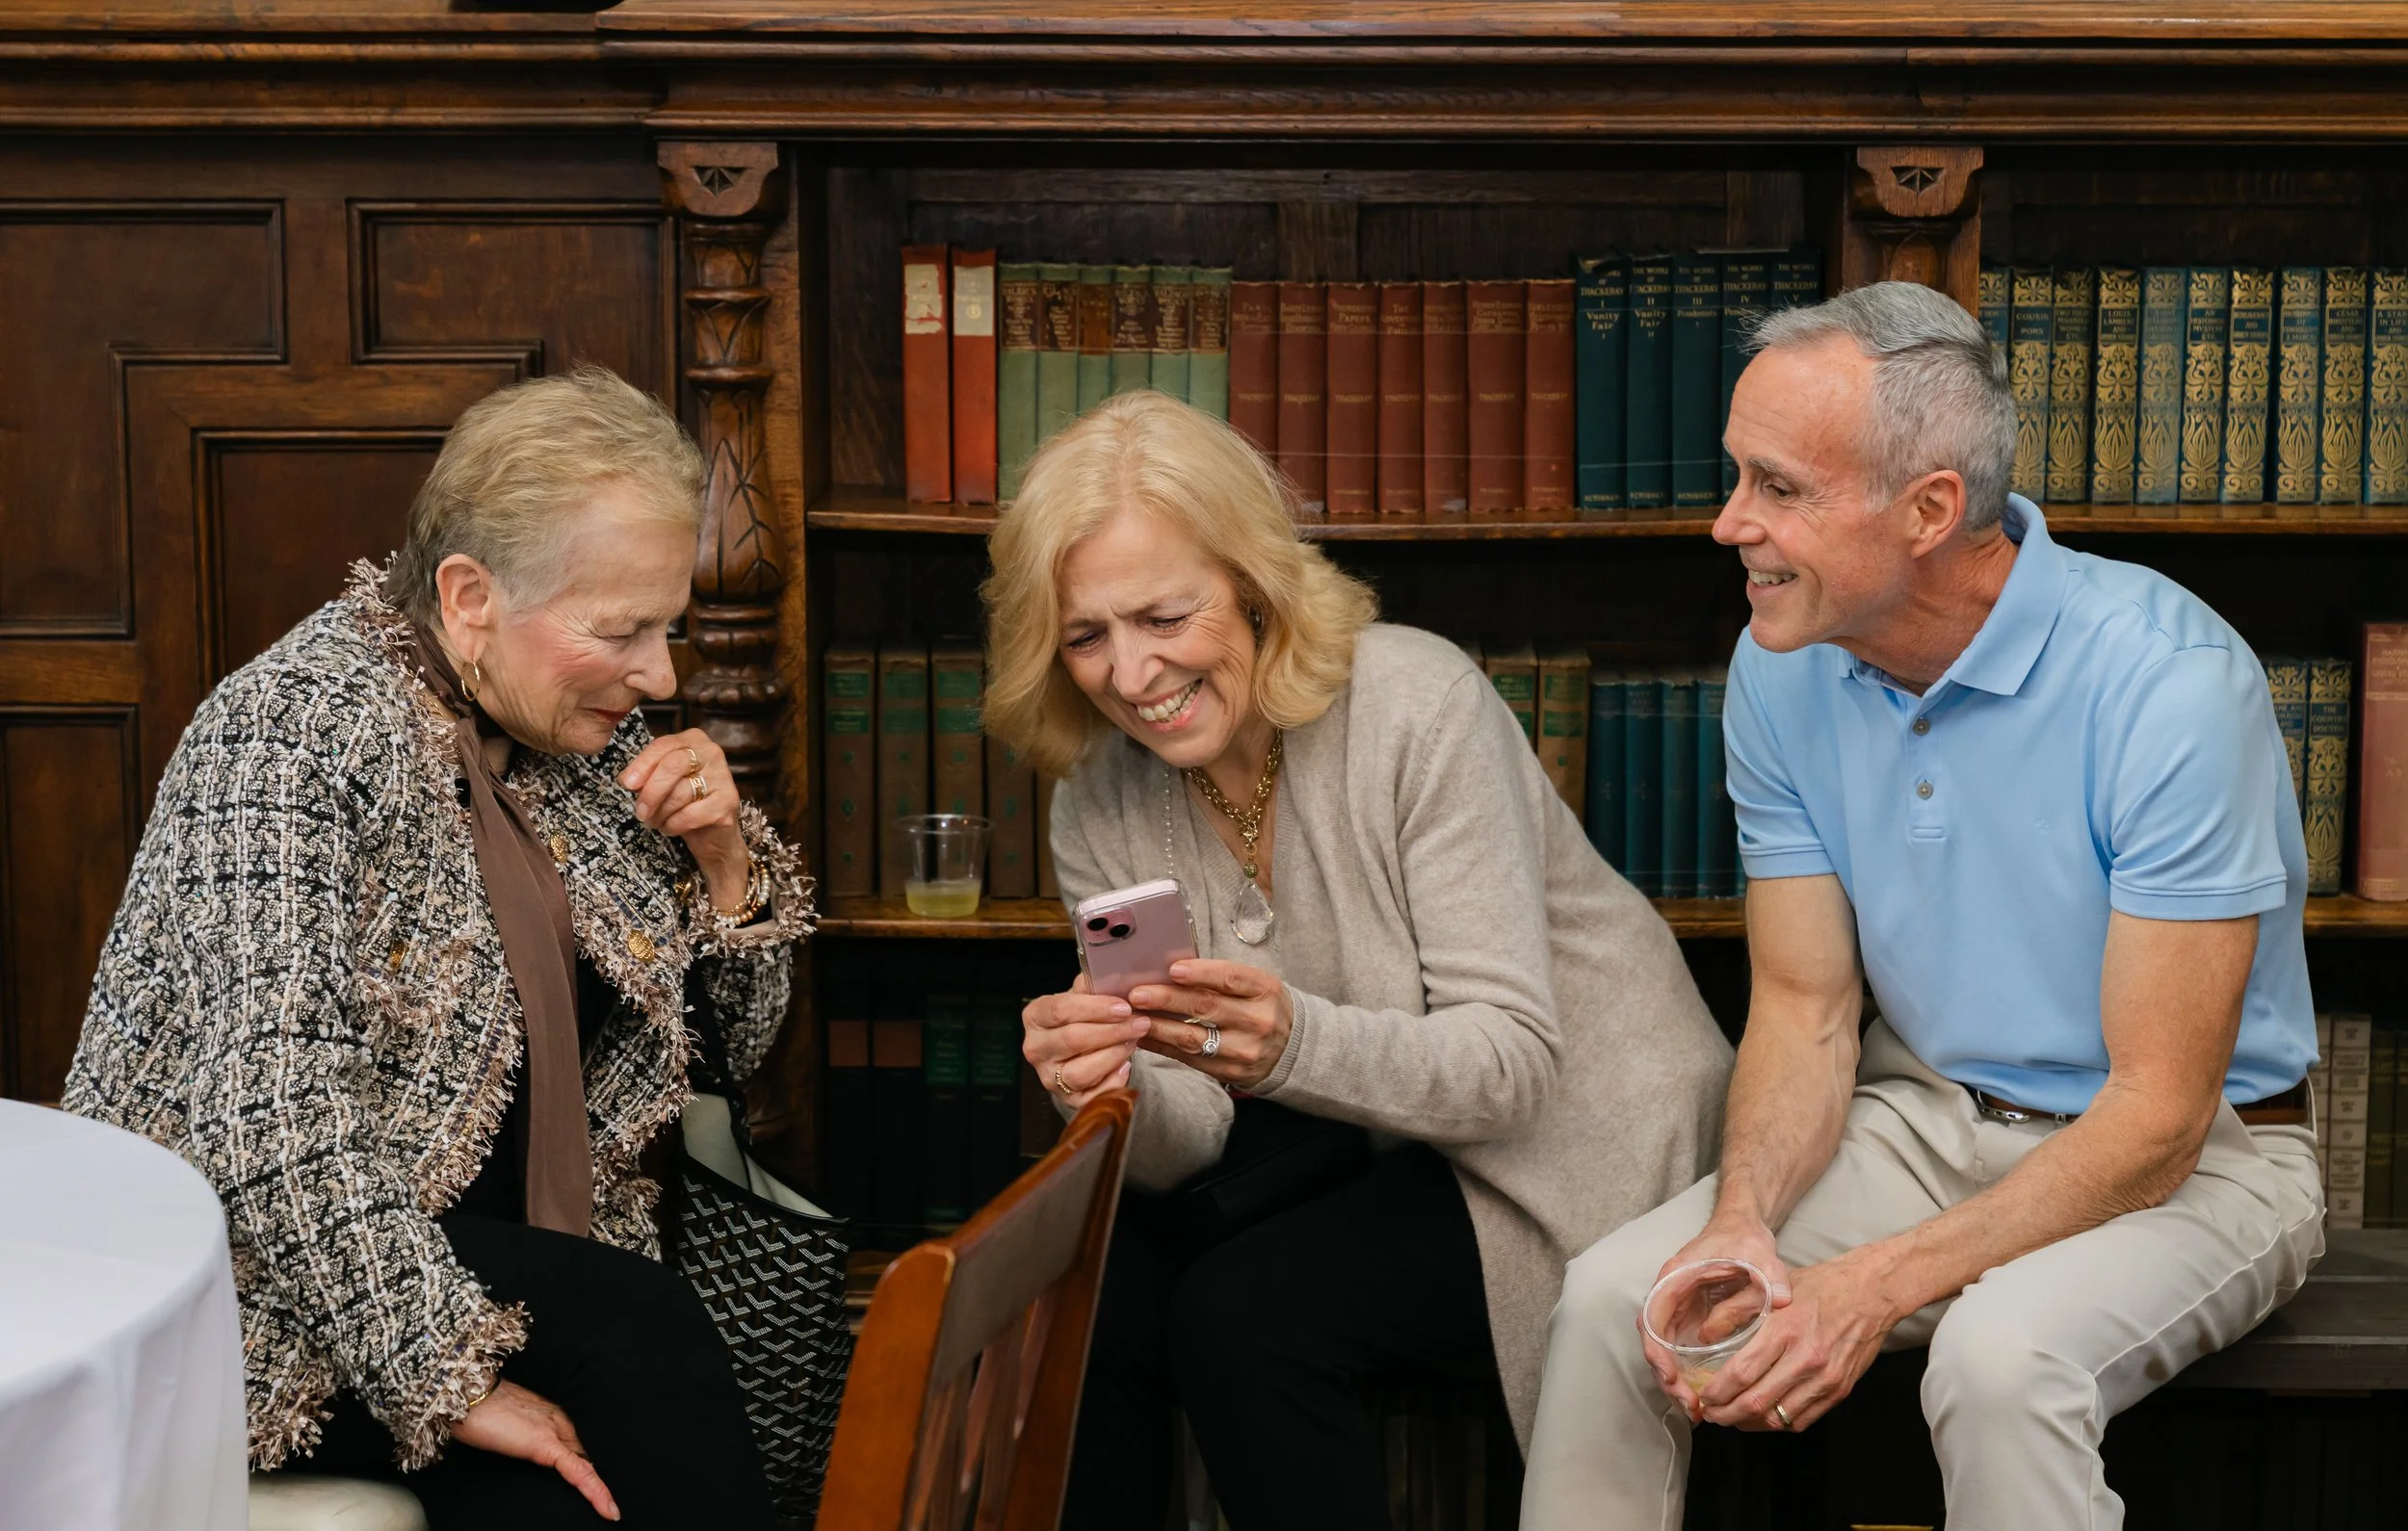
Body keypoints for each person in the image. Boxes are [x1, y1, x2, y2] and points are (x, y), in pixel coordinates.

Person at [1518, 281, 2326, 1529]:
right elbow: (1803, 1004)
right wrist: (1743, 1223)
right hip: (1926, 1122)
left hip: (2208, 1158)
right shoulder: (1779, 661)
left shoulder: (2171, 684)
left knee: (2000, 1362)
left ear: (1930, 509)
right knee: (1621, 1297)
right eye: (1737, 476)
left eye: (1779, 488)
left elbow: (2159, 1118)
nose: (1731, 522)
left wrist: (1867, 1286)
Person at [62, 366, 813, 1530]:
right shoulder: (291, 735)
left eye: (664, 625)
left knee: (602, 1440)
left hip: (514, 1261)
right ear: (468, 597)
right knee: (641, 1333)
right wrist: (451, 1378)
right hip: (275, 1288)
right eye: (623, 628)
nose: (663, 674)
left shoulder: (575, 728)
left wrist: (724, 869)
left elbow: (729, 1058)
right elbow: (272, 1120)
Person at [981, 389, 1734, 1531]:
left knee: (1242, 1318)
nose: (1131, 676)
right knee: (1094, 1295)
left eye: (1164, 617)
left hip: (1584, 1140)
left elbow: (1510, 1065)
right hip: (1381, 1128)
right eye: (1086, 636)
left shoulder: (1417, 703)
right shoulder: (1098, 802)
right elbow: (1193, 1125)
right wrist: (1117, 1084)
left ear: (1252, 582)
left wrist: (1287, 1044)